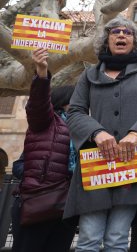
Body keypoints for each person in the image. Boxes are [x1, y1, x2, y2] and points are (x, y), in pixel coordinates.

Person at [64, 17, 137, 251]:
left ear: (135, 41)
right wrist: (97, 133)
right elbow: (76, 112)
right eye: (115, 32)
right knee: (89, 237)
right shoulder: (88, 74)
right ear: (107, 39)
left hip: (132, 163)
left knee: (117, 238)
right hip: (96, 165)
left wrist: (135, 134)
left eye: (128, 32)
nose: (121, 35)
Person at [11, 48, 77, 252]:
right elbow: (38, 104)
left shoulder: (84, 126)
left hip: (66, 207)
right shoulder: (47, 120)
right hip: (38, 201)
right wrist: (41, 74)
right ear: (66, 101)